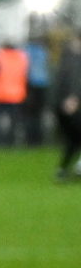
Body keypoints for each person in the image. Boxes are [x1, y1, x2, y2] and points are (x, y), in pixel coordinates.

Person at [0, 37, 28, 145]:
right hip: (17, 94)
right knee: (14, 120)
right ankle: (11, 141)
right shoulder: (21, 57)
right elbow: (25, 74)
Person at [52, 27, 81, 182]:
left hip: (61, 104)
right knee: (75, 138)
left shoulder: (66, 55)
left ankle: (62, 170)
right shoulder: (74, 58)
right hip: (70, 104)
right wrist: (73, 98)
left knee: (74, 140)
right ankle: (74, 168)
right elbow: (74, 79)